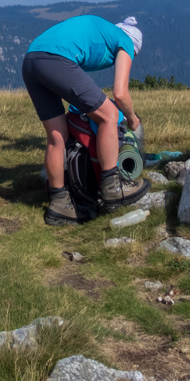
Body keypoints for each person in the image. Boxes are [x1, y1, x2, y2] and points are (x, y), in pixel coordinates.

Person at [21, 14, 150, 225]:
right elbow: (120, 94)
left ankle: (60, 204)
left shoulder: (104, 32)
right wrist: (132, 118)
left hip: (31, 61)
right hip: (55, 60)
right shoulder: (125, 41)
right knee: (108, 115)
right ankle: (113, 187)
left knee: (57, 137)